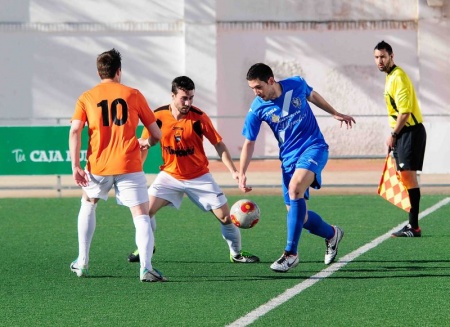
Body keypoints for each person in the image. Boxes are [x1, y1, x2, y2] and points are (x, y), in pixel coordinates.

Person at [126, 76, 260, 265]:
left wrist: (234, 171)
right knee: (144, 212)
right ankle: (145, 246)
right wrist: (137, 169)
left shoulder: (199, 117)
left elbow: (218, 144)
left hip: (199, 177)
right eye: (184, 98)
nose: (188, 102)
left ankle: (236, 254)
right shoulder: (156, 117)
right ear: (173, 96)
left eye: (191, 98)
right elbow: (144, 146)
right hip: (169, 176)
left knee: (225, 218)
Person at [238, 63, 355, 272]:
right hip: (289, 160)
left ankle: (290, 254)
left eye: (258, 87)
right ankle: (332, 234)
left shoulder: (296, 84)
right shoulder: (257, 108)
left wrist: (334, 112)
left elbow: (313, 95)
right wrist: (241, 172)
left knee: (295, 189)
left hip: (314, 148)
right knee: (298, 216)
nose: (256, 92)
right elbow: (249, 142)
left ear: (271, 81)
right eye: (252, 89)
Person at [68, 48, 165, 282]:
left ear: (99, 72)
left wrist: (75, 166)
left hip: (98, 165)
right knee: (140, 214)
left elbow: (74, 130)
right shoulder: (133, 94)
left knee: (88, 204)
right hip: (128, 164)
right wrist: (146, 142)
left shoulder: (87, 97)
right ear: (119, 71)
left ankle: (82, 262)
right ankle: (146, 268)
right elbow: (156, 135)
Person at [374, 41, 427, 237]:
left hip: (409, 132)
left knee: (409, 178)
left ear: (391, 56)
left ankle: (414, 227)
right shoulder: (390, 77)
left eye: (383, 57)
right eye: (377, 57)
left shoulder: (398, 77)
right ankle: (412, 225)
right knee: (406, 178)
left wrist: (393, 135)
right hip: (405, 133)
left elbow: (405, 112)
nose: (380, 61)